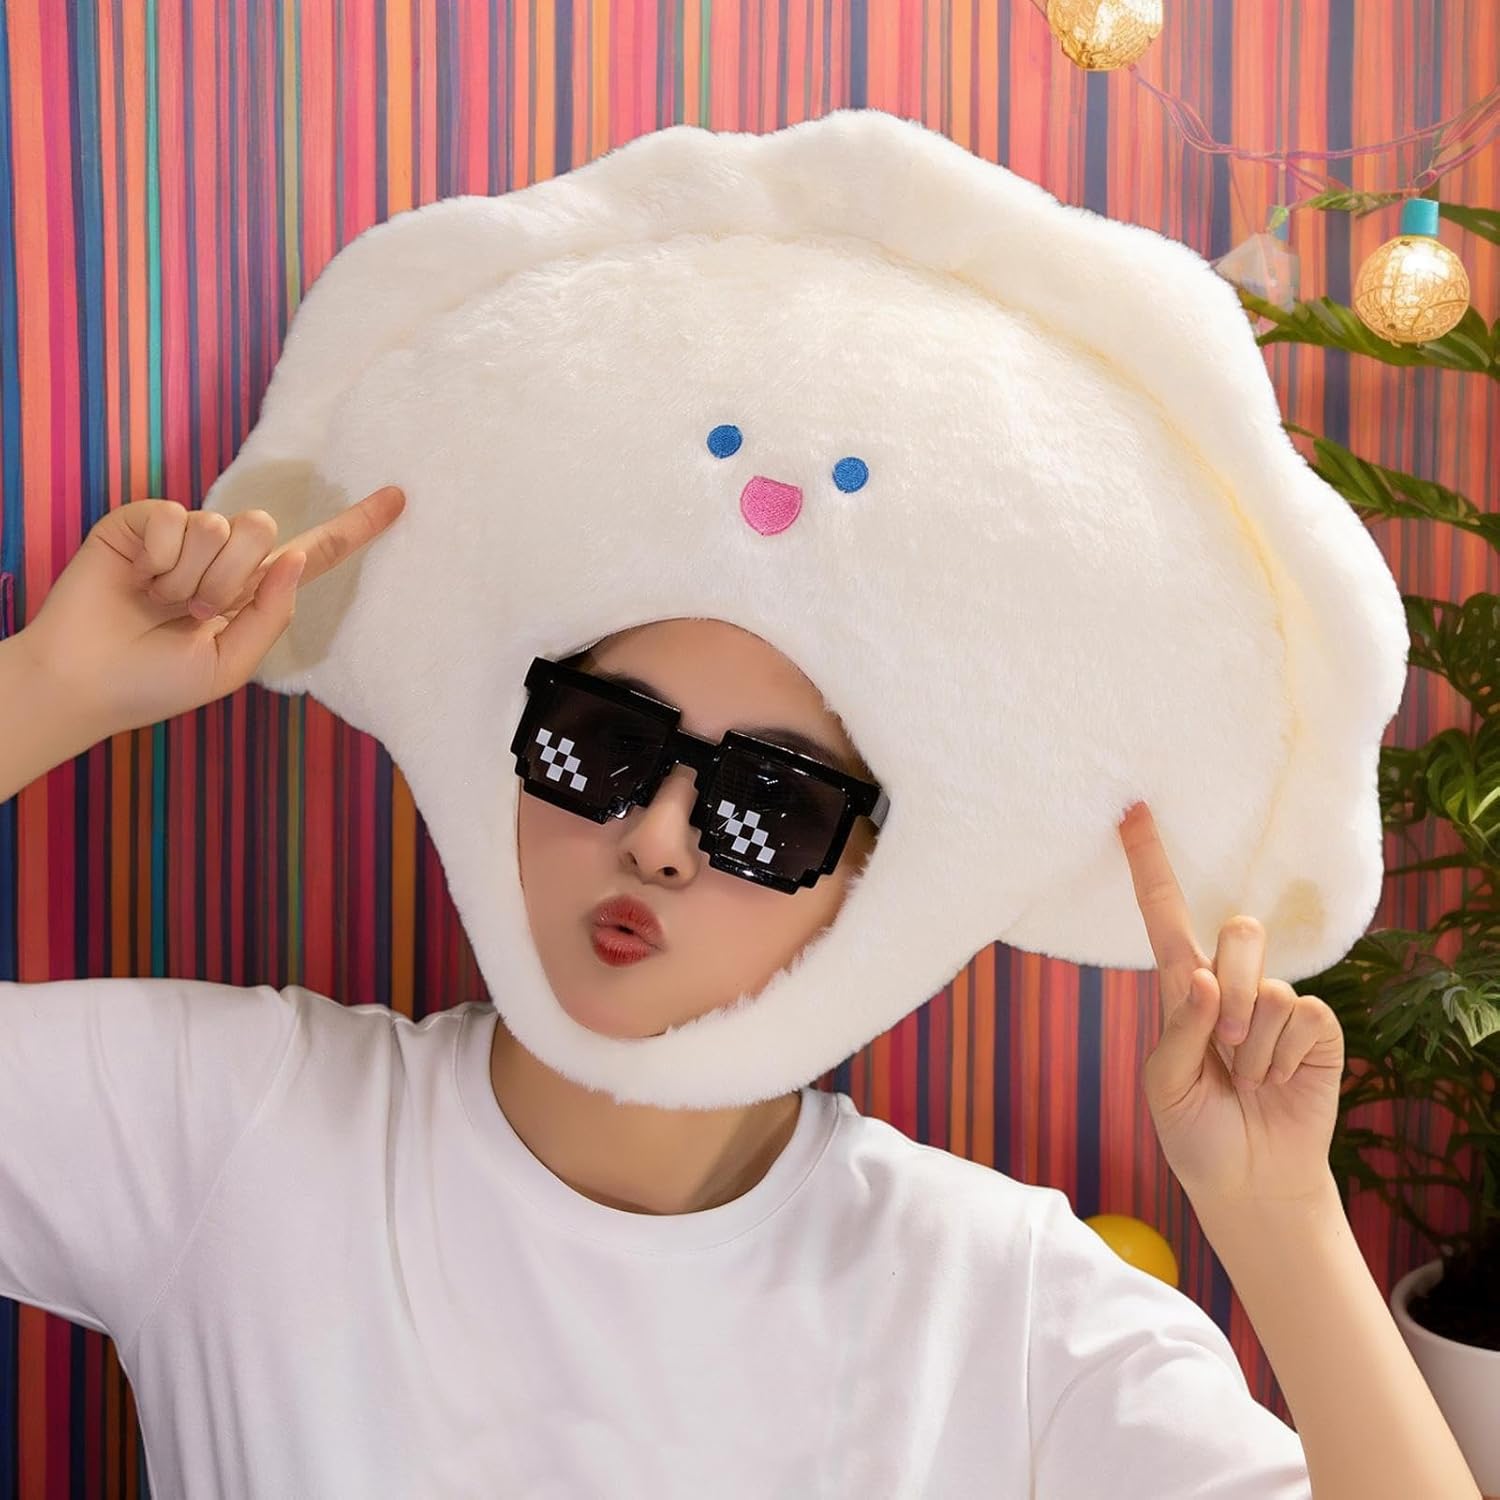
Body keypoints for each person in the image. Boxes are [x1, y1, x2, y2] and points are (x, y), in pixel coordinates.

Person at [0, 488, 1431, 1500]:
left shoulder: (1000, 1299)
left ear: (870, 882)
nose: (659, 839)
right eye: (602, 743)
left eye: (771, 806)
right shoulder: (234, 1128)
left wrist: (1280, 1219)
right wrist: (52, 686)